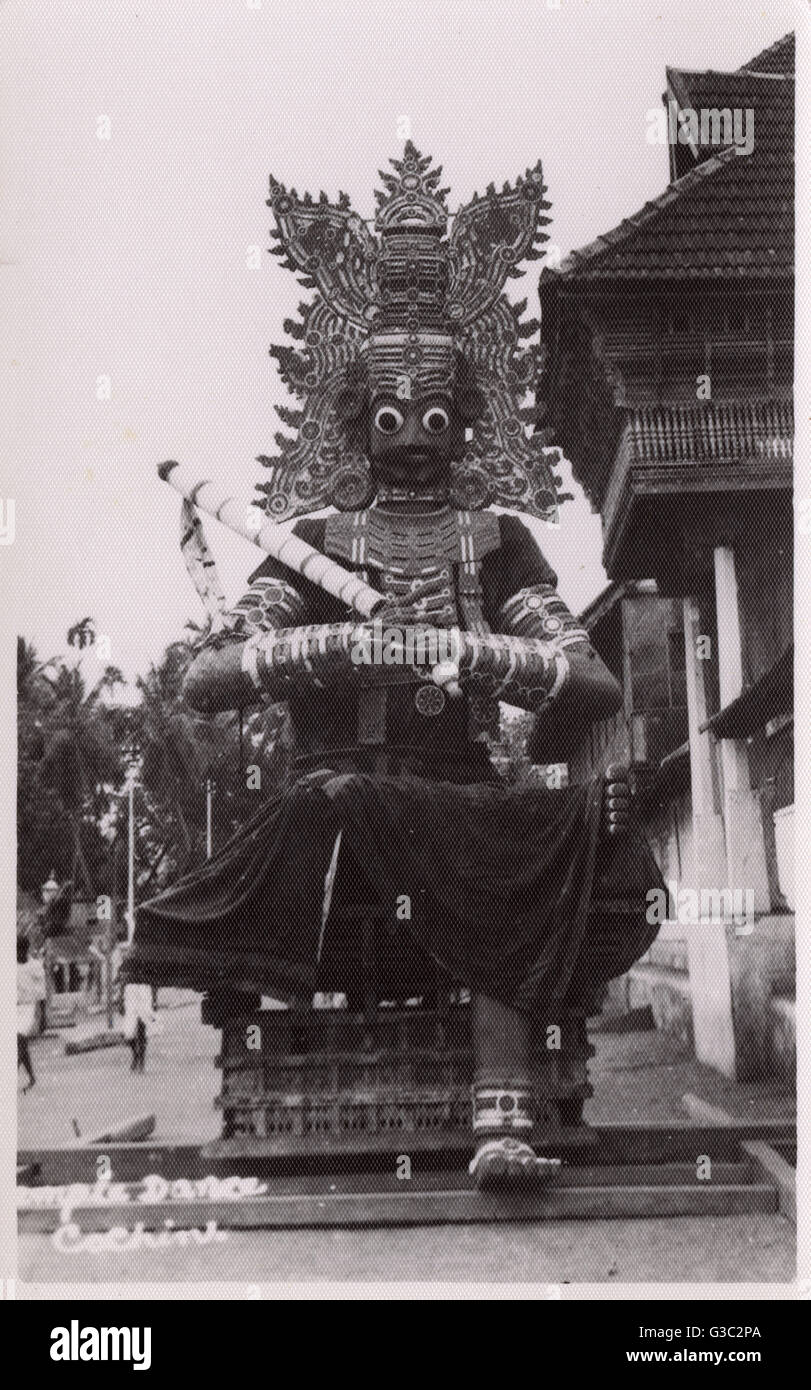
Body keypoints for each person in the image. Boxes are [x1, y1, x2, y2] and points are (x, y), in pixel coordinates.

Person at [130, 143, 661, 1184]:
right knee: (334, 803)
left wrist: (468, 652)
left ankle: (499, 1117)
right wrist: (343, 644)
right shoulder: (317, 538)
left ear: (468, 421)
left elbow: (588, 679)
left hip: (459, 792)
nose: (411, 435)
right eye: (387, 416)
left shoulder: (496, 537)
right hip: (344, 788)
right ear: (354, 423)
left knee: (543, 814)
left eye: (432, 416)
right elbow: (208, 677)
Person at [17, 935, 44, 1092]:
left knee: (19, 1039)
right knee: (21, 1044)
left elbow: (41, 994)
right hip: (13, 1007)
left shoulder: (35, 966)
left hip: (28, 1007)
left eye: (20, 950)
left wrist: (40, 1017)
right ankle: (32, 1076)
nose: (18, 954)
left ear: (26, 950)